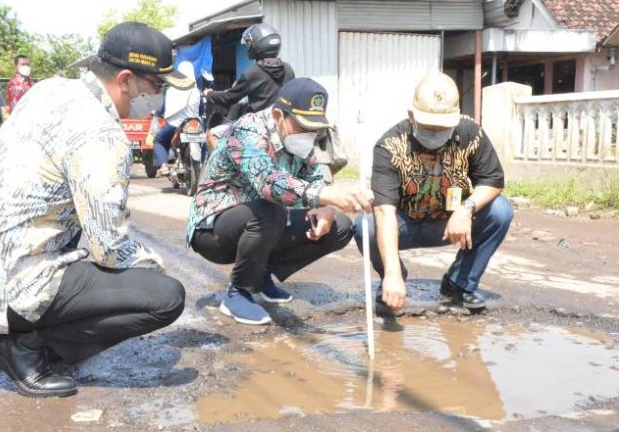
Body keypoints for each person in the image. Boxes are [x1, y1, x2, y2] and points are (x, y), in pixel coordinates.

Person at [0, 22, 194, 398]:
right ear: (126, 80)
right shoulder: (100, 134)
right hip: (6, 283)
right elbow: (109, 247)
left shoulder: (49, 90)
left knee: (96, 248)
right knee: (163, 294)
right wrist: (152, 264)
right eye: (157, 86)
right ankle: (24, 349)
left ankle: (29, 337)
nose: (158, 97)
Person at [187, 77, 372, 325]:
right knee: (270, 210)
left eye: (314, 128)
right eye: (303, 126)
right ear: (278, 115)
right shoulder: (247, 130)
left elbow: (316, 180)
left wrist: (325, 208)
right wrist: (325, 196)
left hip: (265, 222)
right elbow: (268, 183)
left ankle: (260, 275)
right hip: (214, 229)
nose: (308, 135)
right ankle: (238, 291)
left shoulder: (303, 144)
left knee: (339, 226)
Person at [352, 72, 514, 317]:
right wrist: (393, 274)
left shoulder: (471, 134)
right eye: (429, 127)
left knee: (500, 211)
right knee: (367, 226)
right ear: (411, 116)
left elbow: (493, 180)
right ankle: (393, 282)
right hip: (403, 225)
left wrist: (465, 209)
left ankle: (459, 283)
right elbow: (384, 211)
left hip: (451, 223)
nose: (436, 134)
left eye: (443, 128)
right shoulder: (390, 145)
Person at [204, 23, 295, 115]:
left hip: (261, 125)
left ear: (257, 45)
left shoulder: (252, 73)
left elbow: (229, 98)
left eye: (249, 44)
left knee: (217, 130)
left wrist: (209, 94)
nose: (248, 47)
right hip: (283, 122)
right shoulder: (288, 69)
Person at [153, 60, 201, 176]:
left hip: (174, 126)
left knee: (158, 140)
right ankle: (204, 162)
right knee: (202, 141)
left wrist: (157, 113)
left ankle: (163, 166)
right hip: (194, 124)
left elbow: (161, 110)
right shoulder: (196, 91)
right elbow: (202, 109)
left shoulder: (171, 90)